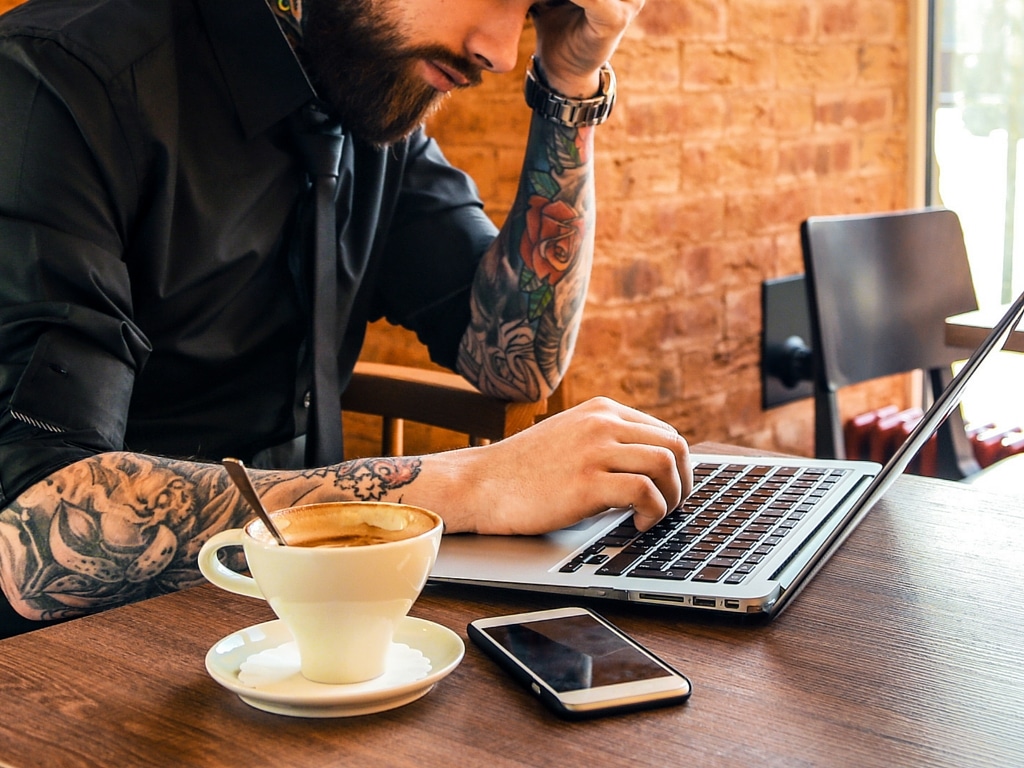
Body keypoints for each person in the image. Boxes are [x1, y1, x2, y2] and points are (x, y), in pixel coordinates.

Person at [0, 0, 690, 635]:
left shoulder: (366, 94)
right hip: (73, 657)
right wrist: (478, 485)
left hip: (302, 620)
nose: (502, 52)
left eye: (531, 7)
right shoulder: (57, 81)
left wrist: (571, 83)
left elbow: (515, 357)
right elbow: (31, 524)